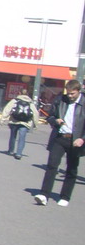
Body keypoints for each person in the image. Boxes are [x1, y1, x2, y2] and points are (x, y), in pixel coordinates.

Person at [34, 79, 85, 207]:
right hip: (60, 137)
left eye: (72, 93)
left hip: (76, 141)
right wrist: (55, 120)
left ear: (79, 91)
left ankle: (65, 196)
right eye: (68, 93)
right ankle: (44, 194)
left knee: (71, 169)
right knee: (52, 165)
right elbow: (50, 116)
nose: (70, 96)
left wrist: (82, 138)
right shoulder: (60, 100)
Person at [0, 92, 39, 160]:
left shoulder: (15, 100)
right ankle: (19, 153)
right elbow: (35, 113)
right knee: (22, 138)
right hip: (25, 123)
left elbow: (7, 109)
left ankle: (11, 151)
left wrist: (3, 119)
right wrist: (36, 124)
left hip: (14, 121)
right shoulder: (30, 103)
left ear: (20, 93)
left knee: (13, 136)